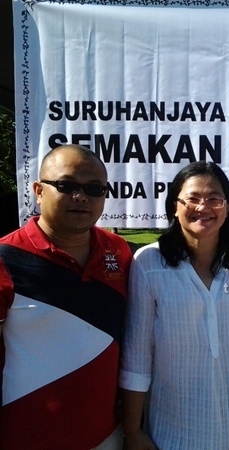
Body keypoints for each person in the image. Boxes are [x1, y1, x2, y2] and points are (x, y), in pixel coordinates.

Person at [119, 161, 229, 450]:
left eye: (214, 199)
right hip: (171, 432)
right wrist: (133, 431)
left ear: (228, 206)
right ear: (175, 205)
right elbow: (137, 355)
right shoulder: (149, 263)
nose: (204, 207)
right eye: (193, 198)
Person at [0, 144, 132, 449]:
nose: (81, 197)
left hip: (106, 437)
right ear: (38, 190)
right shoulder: (7, 258)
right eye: (66, 185)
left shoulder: (119, 251)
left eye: (94, 188)